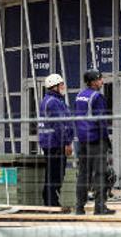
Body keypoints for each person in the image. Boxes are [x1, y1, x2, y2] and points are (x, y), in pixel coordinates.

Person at [74, 69, 115, 216]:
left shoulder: (79, 96)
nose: (101, 81)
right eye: (99, 79)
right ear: (92, 82)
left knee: (83, 174)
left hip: (83, 141)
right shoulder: (97, 97)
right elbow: (101, 122)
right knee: (100, 174)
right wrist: (106, 140)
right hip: (96, 141)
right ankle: (99, 207)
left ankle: (79, 207)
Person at [38, 73, 74, 208]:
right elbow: (59, 125)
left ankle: (51, 202)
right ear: (55, 86)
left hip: (52, 143)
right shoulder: (53, 102)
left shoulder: (54, 100)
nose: (63, 87)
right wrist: (66, 143)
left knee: (54, 174)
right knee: (55, 175)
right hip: (55, 143)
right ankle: (51, 203)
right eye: (61, 84)